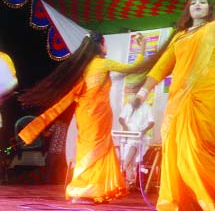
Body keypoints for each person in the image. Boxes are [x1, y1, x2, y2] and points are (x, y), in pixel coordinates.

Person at [131, 0, 215, 210]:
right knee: (175, 143)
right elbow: (162, 66)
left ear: (209, 9)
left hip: (209, 93)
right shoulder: (179, 36)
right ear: (189, 9)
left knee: (200, 145)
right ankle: (184, 200)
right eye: (194, 1)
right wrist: (143, 92)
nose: (197, 4)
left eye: (203, 2)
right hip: (180, 96)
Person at [17, 31, 146, 204]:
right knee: (94, 151)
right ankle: (81, 190)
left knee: (93, 149)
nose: (106, 47)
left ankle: (97, 189)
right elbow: (133, 68)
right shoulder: (102, 63)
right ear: (99, 45)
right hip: (96, 114)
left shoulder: (83, 66)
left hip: (86, 113)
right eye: (105, 43)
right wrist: (142, 49)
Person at [118, 89, 155, 190]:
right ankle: (129, 182)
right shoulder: (128, 105)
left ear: (143, 99)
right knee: (129, 160)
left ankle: (121, 172)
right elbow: (121, 119)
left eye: (140, 98)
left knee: (131, 152)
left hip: (138, 136)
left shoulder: (147, 107)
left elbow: (151, 122)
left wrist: (145, 130)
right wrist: (125, 126)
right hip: (127, 135)